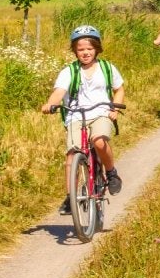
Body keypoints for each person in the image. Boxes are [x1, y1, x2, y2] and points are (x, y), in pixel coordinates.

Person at [40, 24, 126, 213]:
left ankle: (111, 172)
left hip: (101, 112)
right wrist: (50, 104)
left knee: (99, 141)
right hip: (76, 115)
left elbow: (119, 89)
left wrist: (115, 109)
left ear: (96, 48)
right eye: (80, 49)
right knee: (72, 154)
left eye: (89, 48)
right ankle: (71, 197)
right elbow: (59, 92)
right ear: (75, 51)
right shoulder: (69, 71)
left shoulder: (106, 67)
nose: (85, 52)